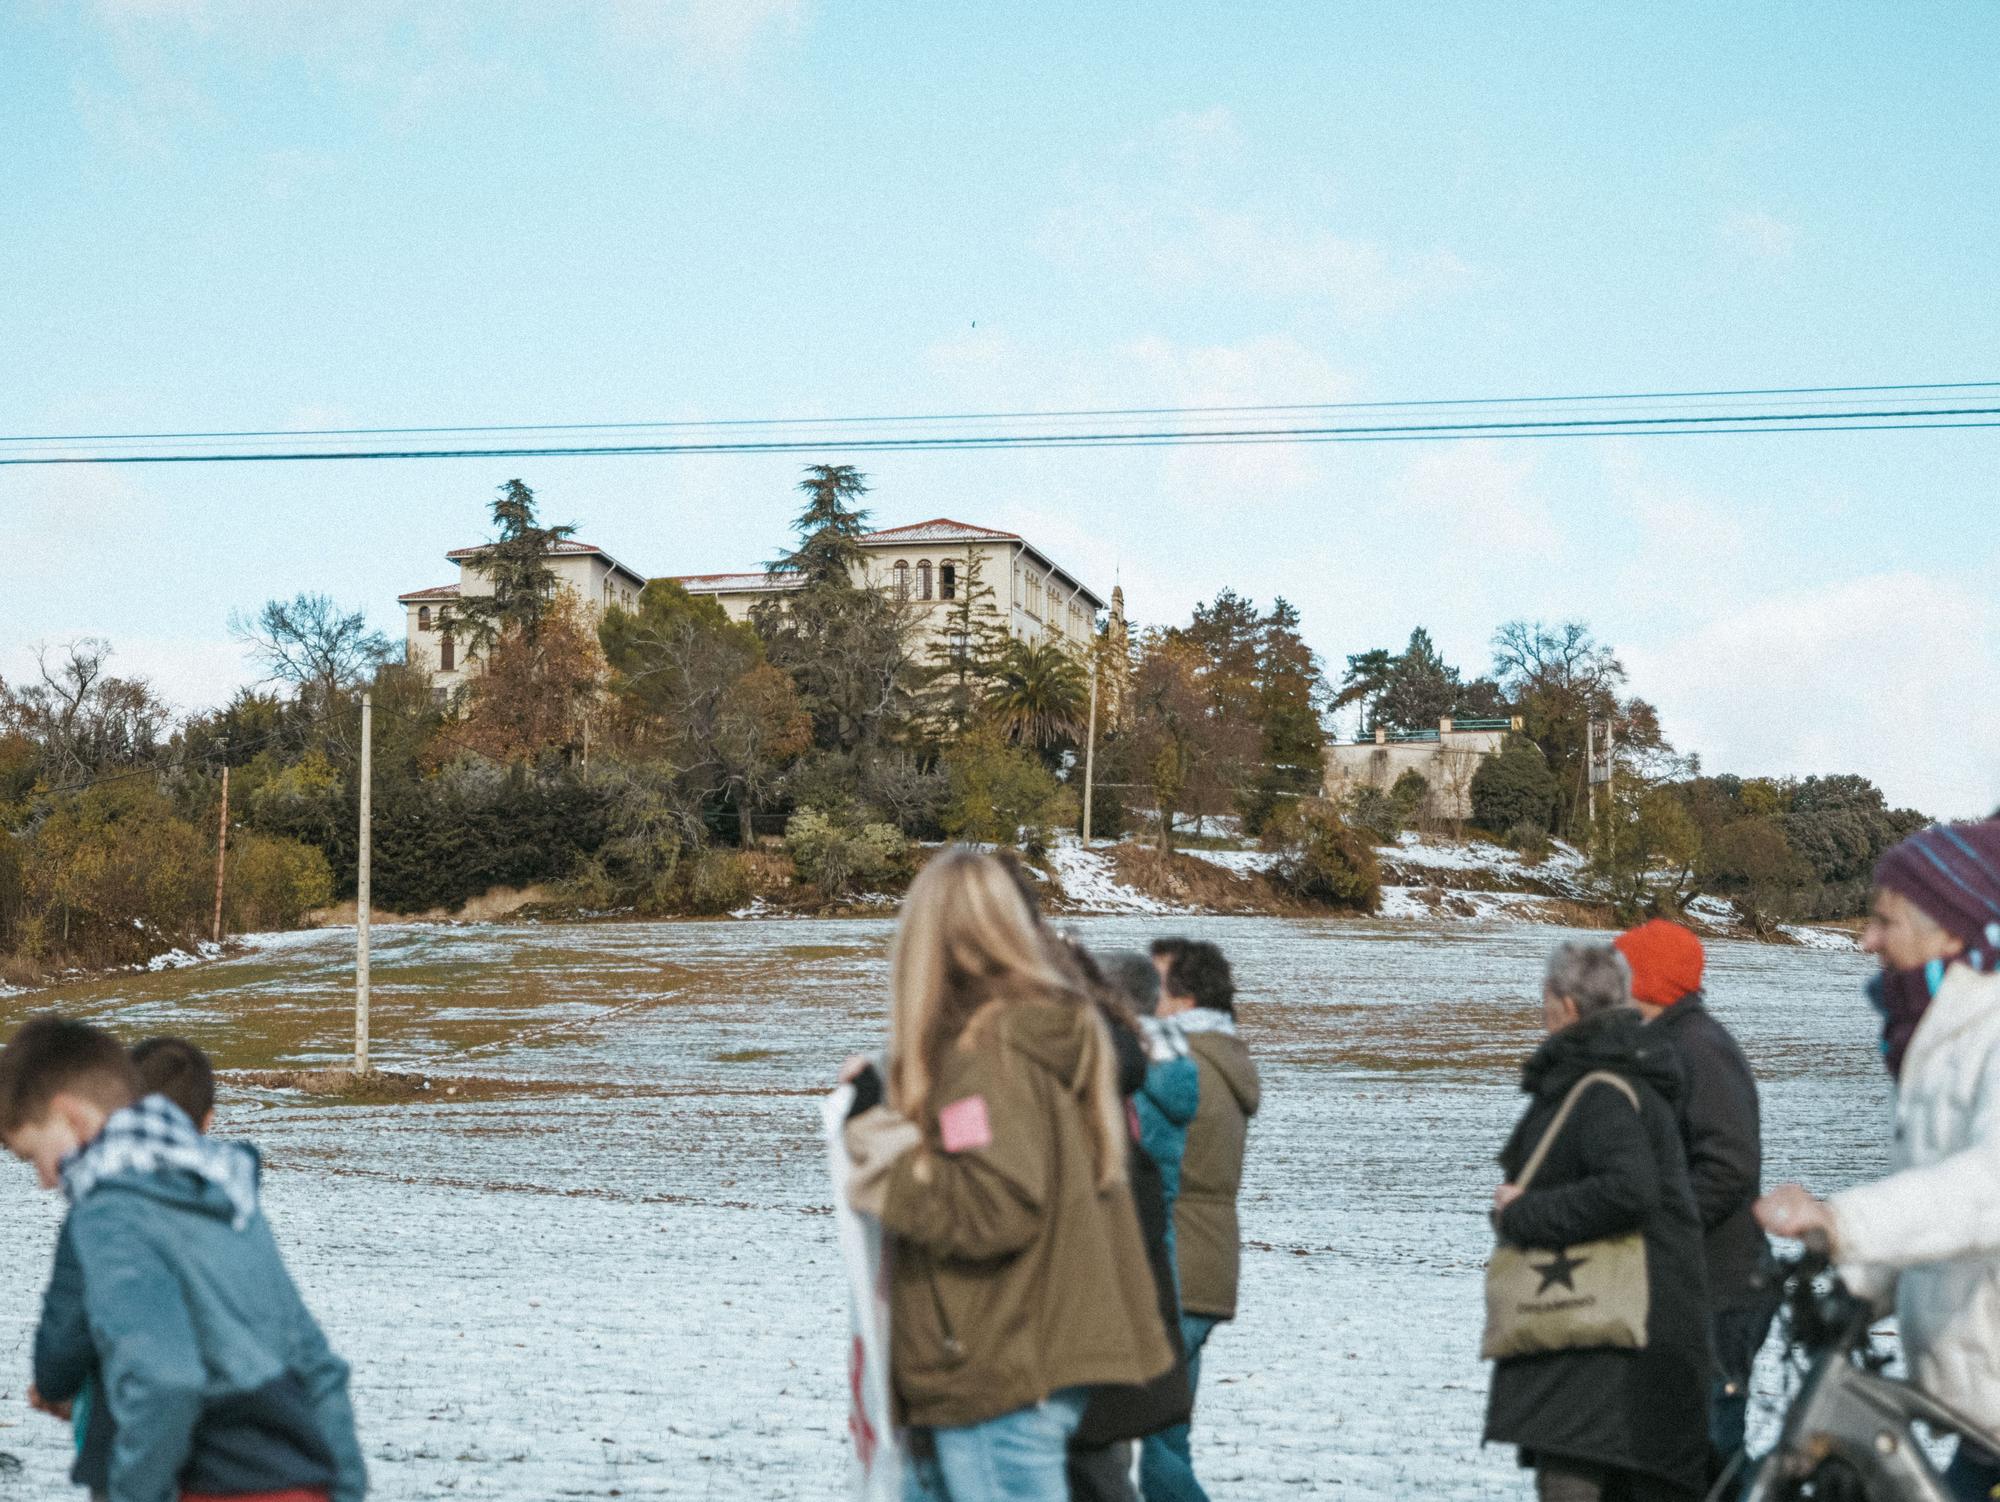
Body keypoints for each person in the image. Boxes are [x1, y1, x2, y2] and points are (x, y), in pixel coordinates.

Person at [840, 851, 1173, 1501]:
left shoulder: (990, 1053)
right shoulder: (1029, 1039)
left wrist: (878, 1139)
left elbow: (994, 1204)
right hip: (1000, 1364)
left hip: (998, 1366)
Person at [0, 1015, 366, 1502]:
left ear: (71, 1116)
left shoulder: (111, 1212)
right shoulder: (220, 1188)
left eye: (33, 1157)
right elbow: (316, 1365)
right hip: (298, 1479)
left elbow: (166, 1380)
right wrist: (345, 1488)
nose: (46, 1181)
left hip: (206, 1485)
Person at [1755, 820, 2000, 1502]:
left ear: (1950, 931)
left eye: (1884, 921)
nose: (1866, 939)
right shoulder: (1937, 1041)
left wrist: (1843, 1220)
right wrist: (1857, 1280)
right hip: (1979, 1417)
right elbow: (1935, 1209)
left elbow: (1988, 1188)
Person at [1484, 941, 1710, 1502]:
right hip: (1630, 1331)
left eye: (1545, 1000)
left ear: (1564, 1006)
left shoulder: (1600, 1087)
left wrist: (1523, 1213)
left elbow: (1629, 1190)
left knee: (1575, 1476)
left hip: (1603, 1335)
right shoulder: (1620, 1073)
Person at [1615, 921, 1774, 1484]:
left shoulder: (1699, 1049)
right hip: (1690, 1290)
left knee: (1707, 1457)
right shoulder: (1661, 1046)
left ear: (1649, 982)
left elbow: (1730, 1165)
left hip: (1722, 1290)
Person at [33, 1035, 221, 1499]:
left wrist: (55, 1382)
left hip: (126, 1437)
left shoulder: (102, 1208)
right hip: (226, 1448)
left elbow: (68, 1325)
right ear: (208, 1122)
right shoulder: (229, 1208)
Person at [1141, 940, 1259, 1502]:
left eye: (1154, 984)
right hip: (1203, 1263)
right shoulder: (1217, 1057)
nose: (1144, 996)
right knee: (1168, 1439)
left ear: (1185, 996)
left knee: (1153, 1450)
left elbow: (1161, 1162)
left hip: (1178, 1264)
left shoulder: (1189, 1067)